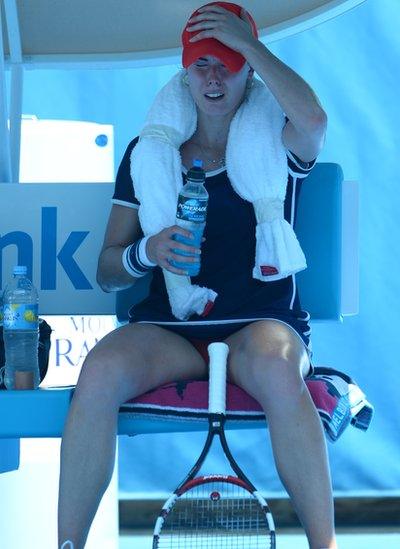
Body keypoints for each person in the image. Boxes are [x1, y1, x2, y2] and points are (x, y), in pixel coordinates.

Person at [57, 2, 335, 548]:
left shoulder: (280, 139)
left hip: (262, 325)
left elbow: (316, 120)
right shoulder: (148, 153)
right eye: (202, 63)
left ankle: (325, 545)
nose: (213, 77)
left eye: (228, 64)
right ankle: (66, 544)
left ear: (248, 70)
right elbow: (108, 270)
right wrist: (148, 252)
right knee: (99, 369)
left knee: (280, 370)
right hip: (173, 331)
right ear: (185, 70)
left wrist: (250, 43)